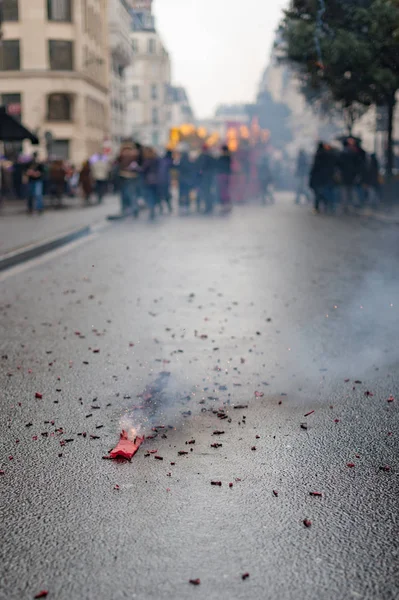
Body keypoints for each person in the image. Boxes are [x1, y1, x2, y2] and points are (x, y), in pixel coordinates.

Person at [309, 142, 338, 214]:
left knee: (319, 193)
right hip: (327, 177)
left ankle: (318, 207)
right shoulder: (331, 154)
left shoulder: (320, 154)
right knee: (325, 192)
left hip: (320, 177)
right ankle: (327, 206)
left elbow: (315, 167)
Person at [116, 142, 141, 217]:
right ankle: (133, 208)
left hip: (127, 176)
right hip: (129, 176)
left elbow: (118, 163)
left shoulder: (126, 155)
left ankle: (131, 208)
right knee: (130, 193)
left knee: (128, 193)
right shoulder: (135, 155)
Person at [142, 147, 160, 220]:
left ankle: (151, 208)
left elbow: (143, 170)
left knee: (150, 195)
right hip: (157, 179)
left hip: (149, 180)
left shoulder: (147, 161)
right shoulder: (156, 160)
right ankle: (153, 207)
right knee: (154, 194)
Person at [197, 145, 216, 213]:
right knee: (208, 192)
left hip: (205, 177)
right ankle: (209, 206)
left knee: (206, 192)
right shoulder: (210, 157)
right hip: (209, 177)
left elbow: (199, 166)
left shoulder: (202, 157)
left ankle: (208, 207)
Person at [217, 145, 232, 212]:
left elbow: (219, 165)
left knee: (223, 190)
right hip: (227, 175)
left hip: (222, 175)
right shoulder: (229, 157)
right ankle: (227, 204)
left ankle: (224, 204)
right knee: (226, 189)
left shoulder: (222, 157)